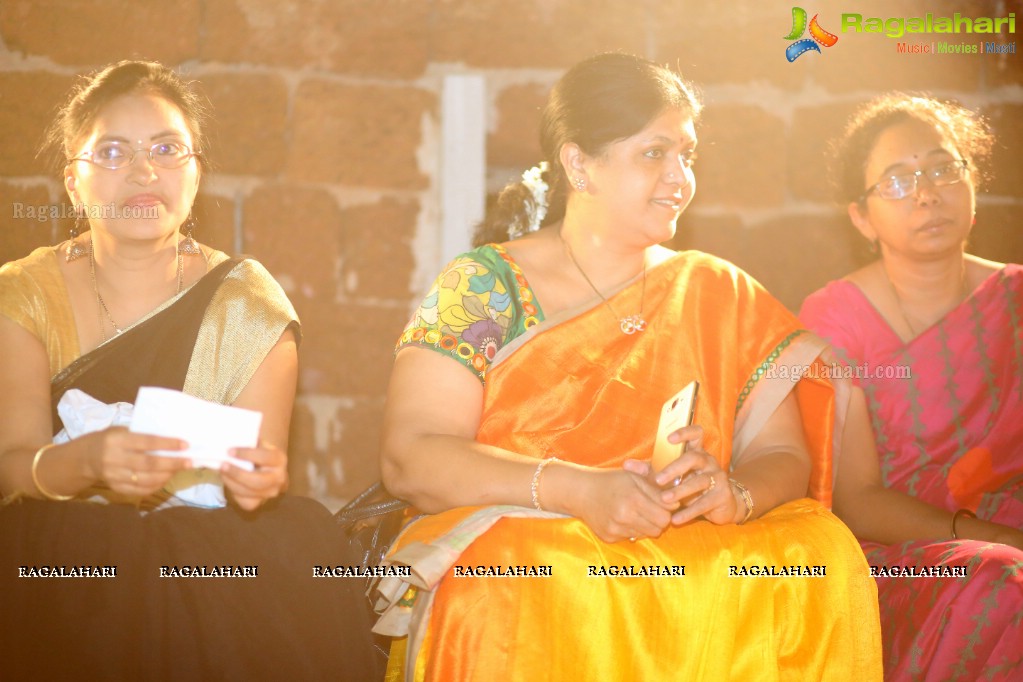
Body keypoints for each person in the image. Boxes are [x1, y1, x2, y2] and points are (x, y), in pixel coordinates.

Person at [374, 53, 882, 680]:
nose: (679, 177)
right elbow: (411, 455)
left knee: (819, 552)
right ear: (578, 162)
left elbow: (784, 455)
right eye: (654, 153)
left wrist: (732, 492)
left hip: (688, 540)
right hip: (536, 532)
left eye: (688, 155)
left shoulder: (715, 289)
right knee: (513, 567)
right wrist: (581, 490)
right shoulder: (484, 285)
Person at [0, 60, 374, 680]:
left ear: (196, 174)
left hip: (208, 550)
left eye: (167, 149)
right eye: (113, 151)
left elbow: (254, 474)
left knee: (294, 543)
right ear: (73, 181)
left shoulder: (248, 303)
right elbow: (13, 464)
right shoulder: (23, 293)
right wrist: (88, 464)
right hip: (54, 545)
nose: (144, 171)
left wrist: (257, 481)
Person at [799, 93, 1023, 680]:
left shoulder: (1017, 301)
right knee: (999, 580)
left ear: (973, 186)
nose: (926, 193)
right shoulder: (835, 319)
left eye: (943, 169)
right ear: (862, 217)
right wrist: (992, 534)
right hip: (898, 556)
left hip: (1011, 523)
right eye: (897, 181)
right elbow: (856, 499)